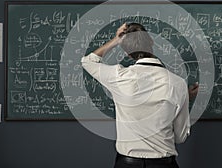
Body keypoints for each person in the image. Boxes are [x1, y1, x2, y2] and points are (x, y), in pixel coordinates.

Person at [81, 23, 199, 168]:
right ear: (151, 42)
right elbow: (180, 138)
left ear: (127, 54)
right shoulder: (178, 84)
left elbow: (87, 61)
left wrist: (116, 40)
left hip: (126, 164)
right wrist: (184, 98)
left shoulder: (119, 77)